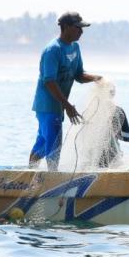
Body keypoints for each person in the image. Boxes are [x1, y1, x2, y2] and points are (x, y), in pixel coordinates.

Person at [29, 11, 102, 170]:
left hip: (58, 106)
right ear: (66, 27)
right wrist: (67, 106)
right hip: (47, 105)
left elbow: (79, 75)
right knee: (54, 144)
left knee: (43, 143)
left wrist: (98, 79)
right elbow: (49, 81)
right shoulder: (53, 50)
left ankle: (29, 173)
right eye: (78, 27)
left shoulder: (75, 48)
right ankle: (52, 178)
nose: (81, 31)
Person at [98, 86, 129, 168]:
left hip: (90, 158)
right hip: (112, 158)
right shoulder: (118, 111)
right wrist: (116, 133)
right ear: (113, 94)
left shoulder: (89, 110)